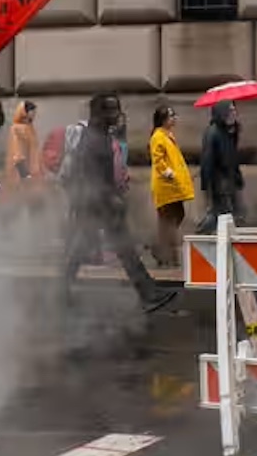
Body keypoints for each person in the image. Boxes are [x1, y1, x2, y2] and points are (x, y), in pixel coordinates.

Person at [56, 94, 178, 315]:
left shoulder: (100, 135)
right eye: (111, 110)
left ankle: (148, 293)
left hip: (97, 204)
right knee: (115, 248)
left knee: (116, 249)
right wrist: (110, 199)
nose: (117, 114)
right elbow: (91, 176)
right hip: (97, 205)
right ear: (99, 114)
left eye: (117, 109)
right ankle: (147, 294)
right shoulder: (94, 139)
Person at [149, 105, 194, 266]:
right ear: (163, 119)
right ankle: (166, 253)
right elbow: (158, 158)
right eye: (171, 116)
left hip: (172, 186)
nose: (174, 118)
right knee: (168, 219)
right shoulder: (158, 136)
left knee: (173, 218)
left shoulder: (167, 135)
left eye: (174, 115)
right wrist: (168, 172)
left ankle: (161, 249)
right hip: (166, 185)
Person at [198, 101, 244, 233]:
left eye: (235, 110)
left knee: (232, 216)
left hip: (231, 181)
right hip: (220, 183)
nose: (234, 113)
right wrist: (206, 186)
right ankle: (201, 235)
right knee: (221, 215)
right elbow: (208, 161)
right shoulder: (213, 133)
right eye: (230, 110)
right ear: (222, 113)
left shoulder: (229, 132)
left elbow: (233, 158)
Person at [2, 101, 43, 215]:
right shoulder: (17, 129)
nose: (34, 114)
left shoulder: (29, 128)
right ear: (24, 112)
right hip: (21, 175)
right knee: (21, 205)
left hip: (32, 173)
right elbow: (17, 152)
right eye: (32, 111)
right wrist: (25, 175)